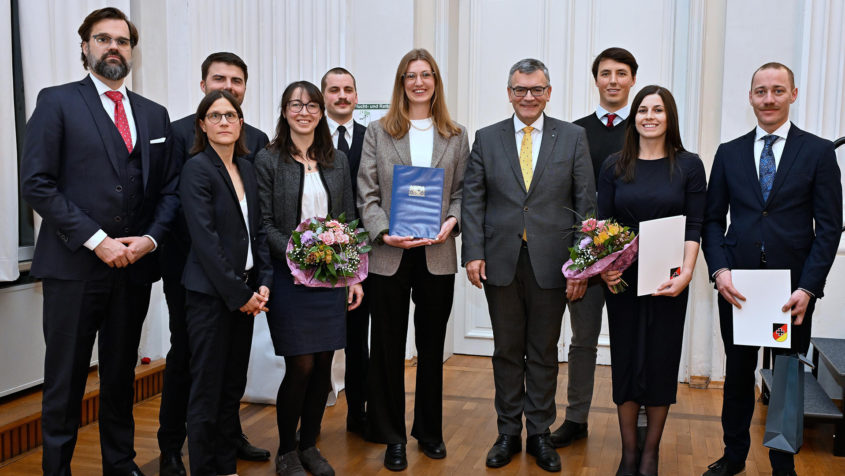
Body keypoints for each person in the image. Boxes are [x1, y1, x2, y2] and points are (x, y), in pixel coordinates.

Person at [20, 7, 178, 475]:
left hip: (133, 269)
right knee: (65, 380)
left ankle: (120, 461)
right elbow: (37, 183)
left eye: (123, 40)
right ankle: (57, 468)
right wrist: (97, 240)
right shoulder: (57, 101)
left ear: (132, 50)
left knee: (119, 374)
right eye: (103, 39)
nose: (114, 47)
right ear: (85, 47)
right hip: (73, 267)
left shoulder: (154, 115)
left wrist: (148, 240)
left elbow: (168, 190)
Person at [701, 63, 842, 476]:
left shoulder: (817, 152)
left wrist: (809, 288)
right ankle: (733, 457)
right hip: (738, 287)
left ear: (793, 95)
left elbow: (829, 227)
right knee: (738, 376)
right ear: (750, 97)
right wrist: (719, 272)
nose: (768, 99)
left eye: (777, 91)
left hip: (791, 292)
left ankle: (783, 464)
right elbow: (712, 220)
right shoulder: (729, 152)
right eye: (760, 91)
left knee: (786, 378)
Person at [461, 58, 594, 473]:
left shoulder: (572, 137)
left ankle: (538, 433)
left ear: (549, 93)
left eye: (537, 89)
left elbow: (585, 206)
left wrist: (580, 265)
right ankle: (507, 433)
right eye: (520, 89)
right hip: (500, 262)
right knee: (505, 350)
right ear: (509, 93)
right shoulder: (487, 138)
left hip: (553, 266)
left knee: (543, 351)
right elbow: (473, 199)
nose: (528, 97)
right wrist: (473, 252)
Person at [158, 51, 270, 476]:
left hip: (239, 282)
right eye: (219, 80)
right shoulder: (181, 144)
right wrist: (233, 288)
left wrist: (258, 284)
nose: (225, 117)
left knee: (228, 378)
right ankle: (173, 449)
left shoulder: (252, 148)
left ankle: (226, 452)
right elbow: (182, 213)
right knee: (192, 366)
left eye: (236, 82)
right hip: (196, 278)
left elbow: (255, 223)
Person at [357, 48, 469, 471]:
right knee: (386, 348)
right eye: (410, 75)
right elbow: (365, 193)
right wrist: (385, 231)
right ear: (401, 83)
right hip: (389, 255)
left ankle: (429, 431)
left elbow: (462, 191)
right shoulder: (378, 132)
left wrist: (452, 222)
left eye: (426, 75)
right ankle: (392, 436)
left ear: (436, 82)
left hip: (437, 254)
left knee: (431, 346)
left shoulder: (457, 135)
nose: (419, 82)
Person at [597, 85, 706, 476]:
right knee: (626, 359)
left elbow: (695, 225)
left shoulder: (689, 165)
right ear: (634, 117)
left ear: (669, 117)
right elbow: (603, 223)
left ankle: (650, 453)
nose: (649, 116)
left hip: (669, 278)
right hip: (621, 278)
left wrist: (688, 273)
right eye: (642, 109)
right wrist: (605, 267)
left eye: (658, 110)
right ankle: (629, 452)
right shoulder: (613, 164)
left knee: (660, 361)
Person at [255, 80, 363, 476]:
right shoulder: (268, 160)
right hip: (289, 280)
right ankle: (286, 450)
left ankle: (310, 445)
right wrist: (302, 256)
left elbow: (349, 220)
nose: (304, 111)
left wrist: (353, 276)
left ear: (321, 112)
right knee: (299, 365)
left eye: (311, 105)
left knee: (323, 367)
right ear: (284, 111)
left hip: (331, 279)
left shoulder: (335, 161)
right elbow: (264, 224)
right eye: (295, 104)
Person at [551, 47, 639, 448]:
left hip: (631, 263)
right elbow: (565, 197)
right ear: (596, 80)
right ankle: (576, 418)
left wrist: (626, 253)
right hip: (585, 260)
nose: (613, 80)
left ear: (632, 80)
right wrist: (581, 261)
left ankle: (635, 418)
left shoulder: (646, 128)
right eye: (606, 73)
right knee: (582, 341)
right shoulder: (574, 131)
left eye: (621, 73)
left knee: (633, 342)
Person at [320, 67, 370, 435]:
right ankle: (312, 421)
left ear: (356, 95)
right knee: (319, 344)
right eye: (334, 90)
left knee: (358, 342)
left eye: (348, 89)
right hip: (318, 258)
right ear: (323, 96)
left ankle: (359, 415)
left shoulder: (375, 138)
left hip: (362, 257)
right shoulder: (307, 137)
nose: (341, 96)